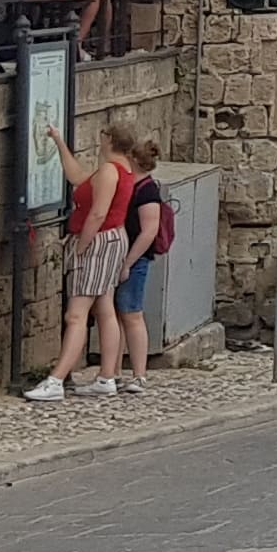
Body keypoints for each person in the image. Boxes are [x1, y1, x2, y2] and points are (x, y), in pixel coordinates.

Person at [24, 128, 135, 400]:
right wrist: (60, 142)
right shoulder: (120, 169)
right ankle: (107, 376)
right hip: (112, 240)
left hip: (99, 241)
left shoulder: (110, 170)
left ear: (109, 140)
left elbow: (98, 213)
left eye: (103, 137)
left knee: (76, 314)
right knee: (105, 307)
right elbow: (77, 176)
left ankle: (56, 379)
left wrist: (81, 244)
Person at [105, 125, 169, 394]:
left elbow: (149, 230)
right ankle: (116, 370)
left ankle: (139, 374)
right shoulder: (131, 186)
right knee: (118, 315)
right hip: (123, 256)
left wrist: (128, 263)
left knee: (131, 314)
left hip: (135, 259)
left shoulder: (147, 191)